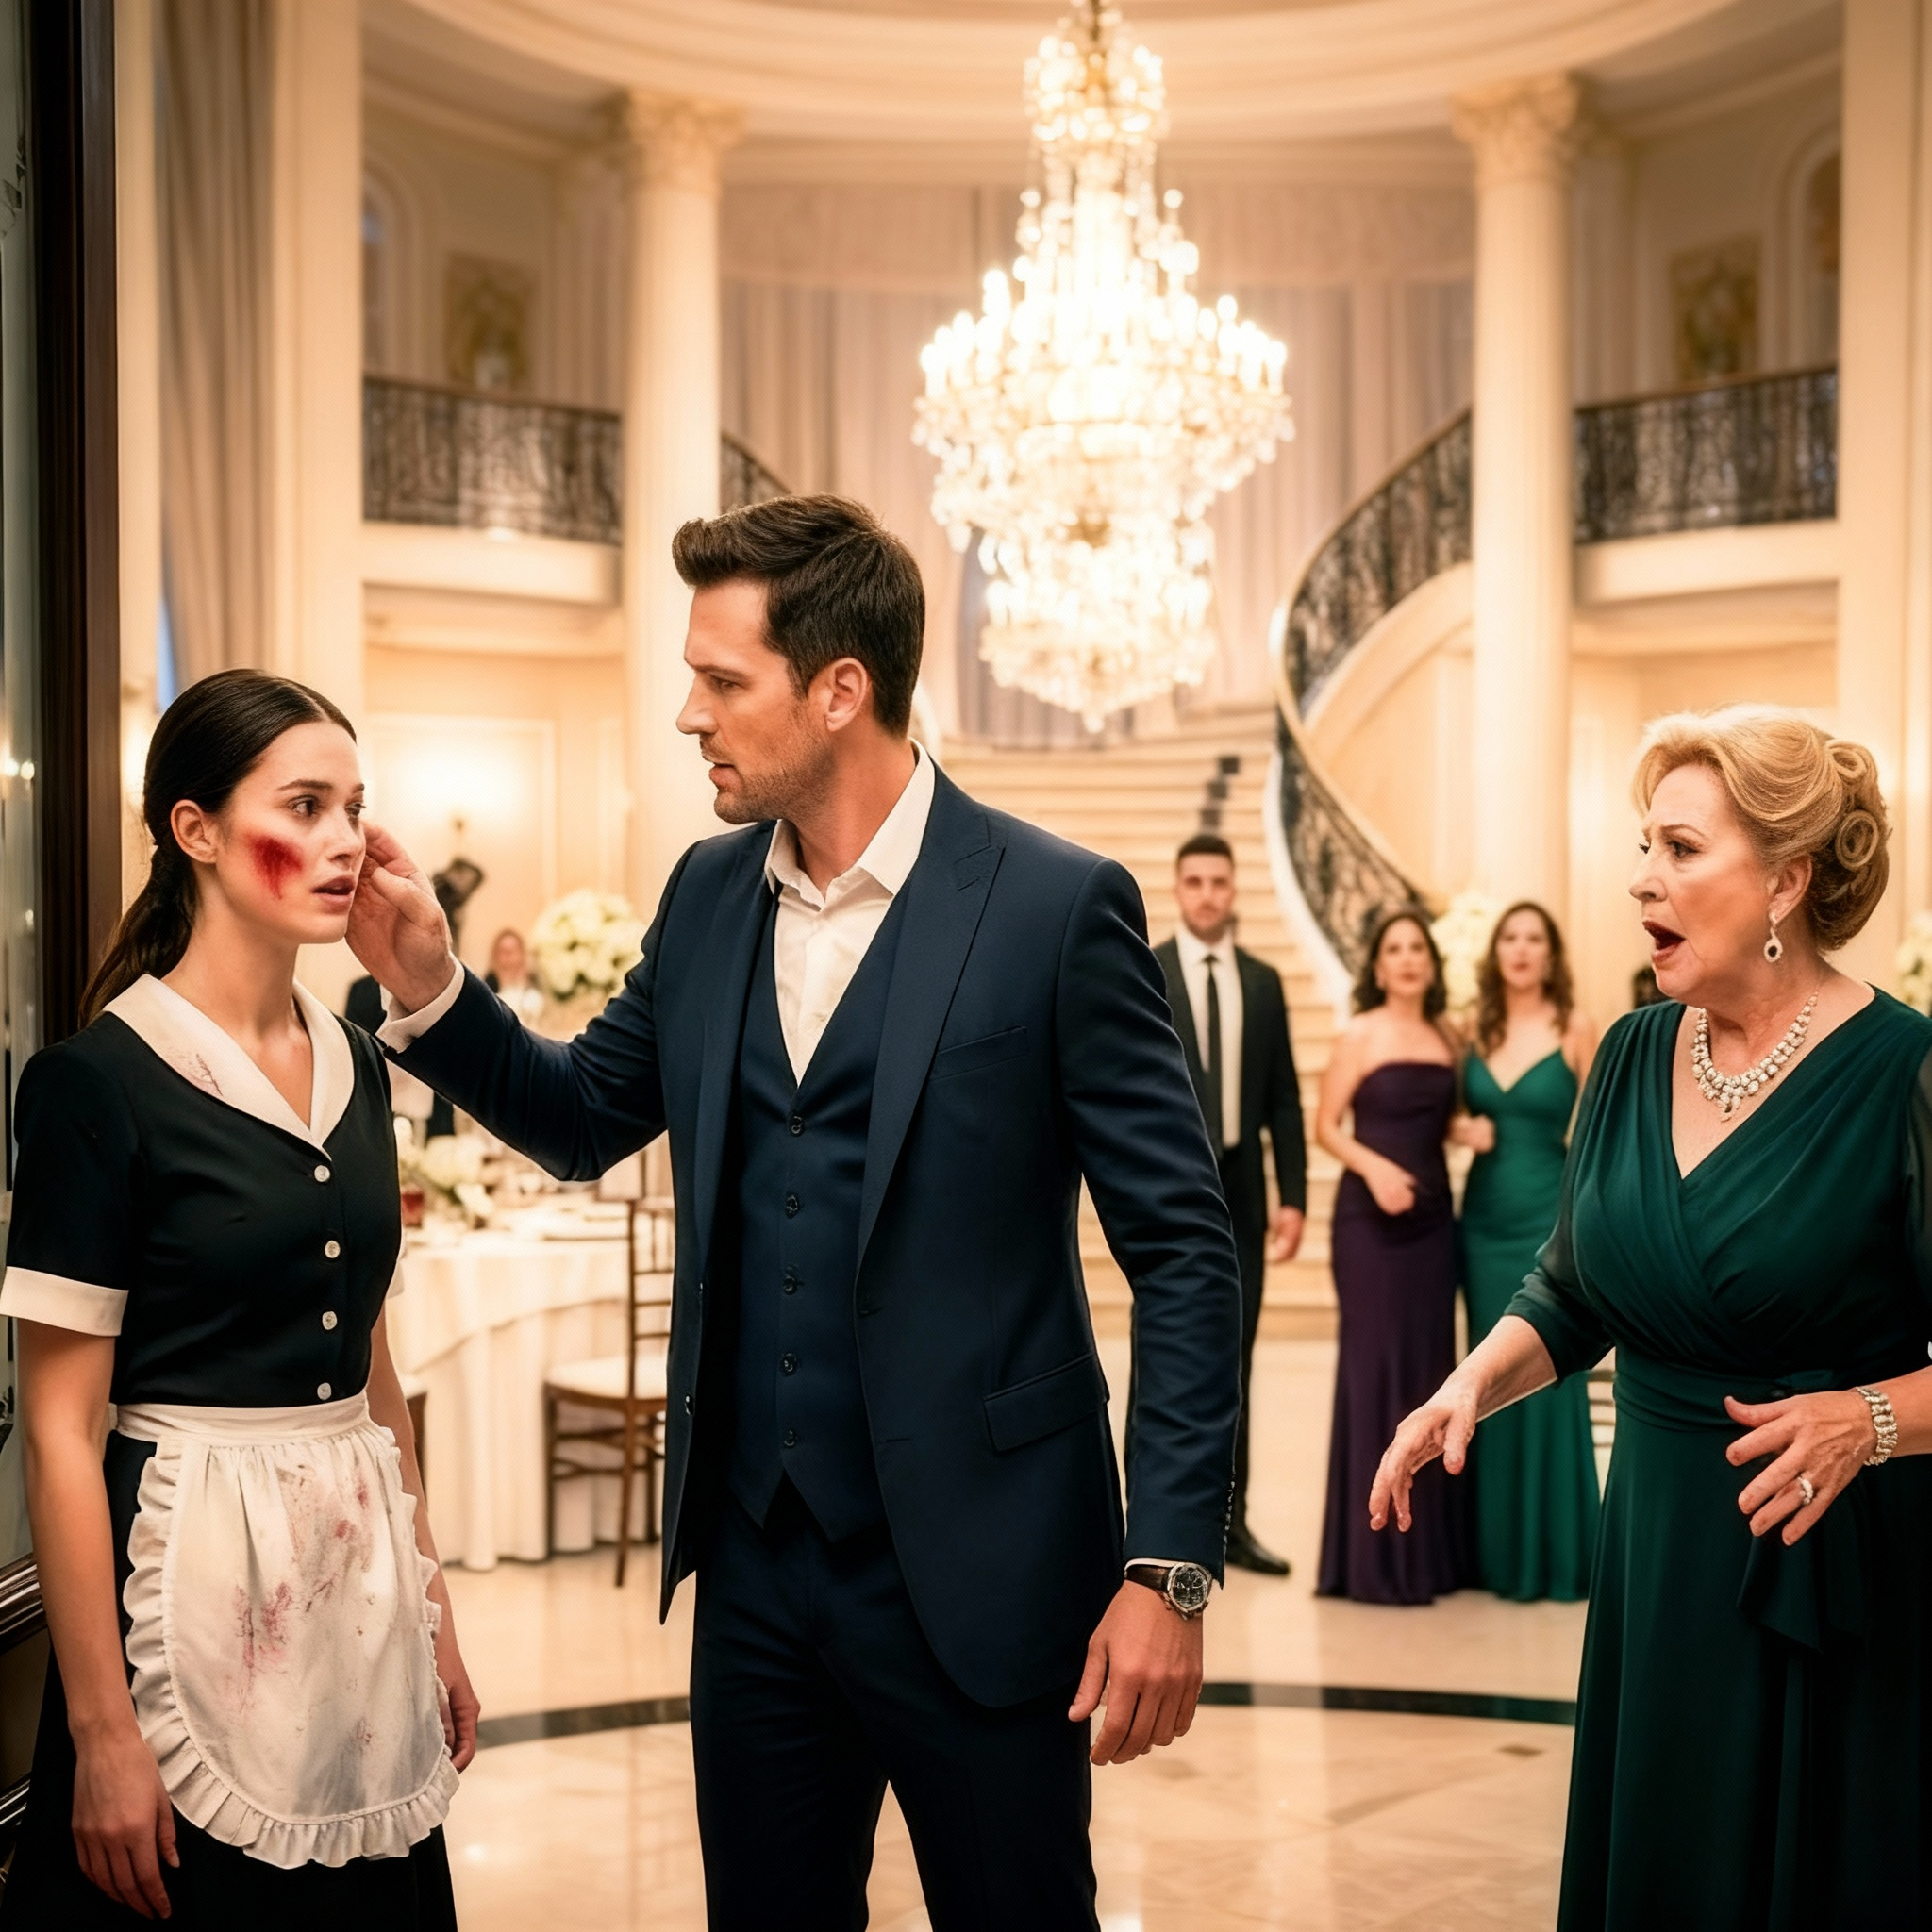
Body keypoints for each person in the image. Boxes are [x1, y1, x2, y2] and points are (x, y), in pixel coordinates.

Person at [346, 495, 1242, 1930]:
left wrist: (1171, 1565)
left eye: (721, 680)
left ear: (839, 690)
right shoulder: (708, 896)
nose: (687, 714)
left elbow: (1186, 1252)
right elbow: (583, 1115)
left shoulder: (1055, 906)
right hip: (756, 1571)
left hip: (990, 1569)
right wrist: (430, 987)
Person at [1371, 705, 1932, 1925]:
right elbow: (1573, 1287)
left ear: (1784, 880)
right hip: (1657, 1558)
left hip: (1828, 1572)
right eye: (1643, 847)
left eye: (1679, 849)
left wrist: (1869, 1419)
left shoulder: (1904, 1071)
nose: (1640, 880)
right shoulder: (1628, 1054)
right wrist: (1467, 1385)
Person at [0, 669, 477, 1929]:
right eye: (304, 806)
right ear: (195, 829)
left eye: (354, 807)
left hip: (356, 1595)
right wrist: (103, 1732)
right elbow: (59, 1430)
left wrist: (433, 1616)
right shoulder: (96, 1085)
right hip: (187, 1591)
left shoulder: (361, 1066)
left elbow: (376, 1378)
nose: (344, 840)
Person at [1142, 832, 1307, 1575]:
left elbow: (1285, 1100)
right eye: (1195, 882)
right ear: (1178, 889)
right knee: (1161, 1354)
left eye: (1219, 882)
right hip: (1169, 1189)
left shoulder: (1263, 983)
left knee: (1236, 1358)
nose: (1208, 894)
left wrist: (1293, 1197)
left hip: (1244, 1189)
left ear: (1234, 890)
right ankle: (1146, 1526)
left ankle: (1230, 1527)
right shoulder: (1147, 972)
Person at [1315, 908, 1468, 1604]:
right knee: (1375, 1370)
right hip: (1369, 1227)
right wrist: (1375, 1170)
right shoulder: (1359, 1034)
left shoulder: (1448, 1037)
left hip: (1434, 1225)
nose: (1407, 959)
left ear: (1431, 965)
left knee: (1429, 1374)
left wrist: (1470, 1131)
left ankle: (1428, 1556)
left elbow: (1440, 1120)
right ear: (1377, 968)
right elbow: (1326, 1127)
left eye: (1417, 949)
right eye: (1394, 950)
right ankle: (1373, 1557)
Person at [1451, 902, 1600, 1601]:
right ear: (1495, 953)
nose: (1520, 949)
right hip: (1482, 1219)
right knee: (1483, 1373)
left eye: (1534, 938)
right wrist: (1459, 1130)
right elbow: (1439, 1113)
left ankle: (1556, 1552)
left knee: (1546, 1365)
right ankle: (1492, 1555)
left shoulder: (1577, 1028)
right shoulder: (1469, 1030)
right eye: (1509, 938)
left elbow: (1600, 1130)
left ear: (1551, 954)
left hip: (1548, 1217)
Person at [483, 929, 544, 1025]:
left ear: (522, 955)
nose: (507, 957)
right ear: (495, 955)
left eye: (511, 951)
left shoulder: (533, 998)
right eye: (502, 951)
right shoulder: (485, 996)